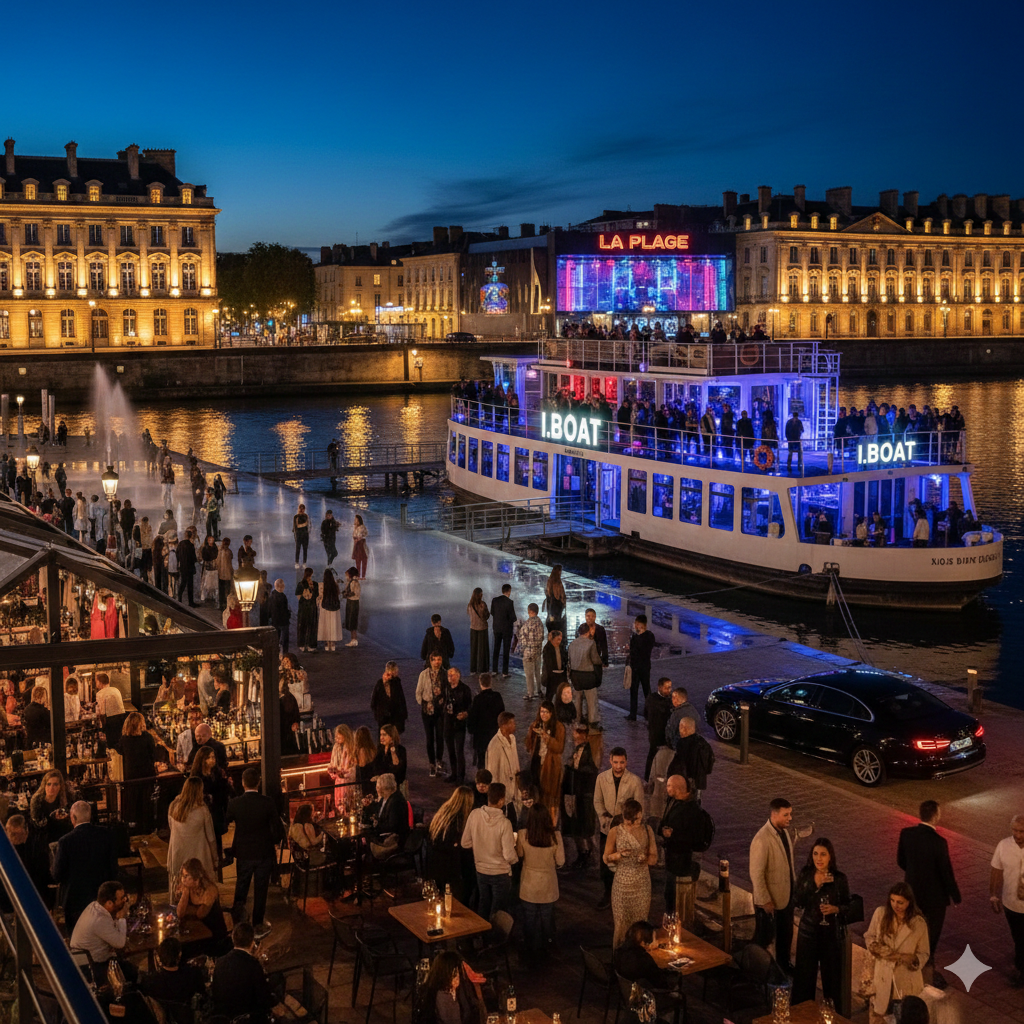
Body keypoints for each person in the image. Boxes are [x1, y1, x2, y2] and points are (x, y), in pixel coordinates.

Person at [897, 800, 961, 985]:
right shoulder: (939, 842)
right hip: (935, 898)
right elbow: (945, 871)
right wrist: (955, 895)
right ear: (936, 815)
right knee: (931, 934)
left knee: (912, 929)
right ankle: (927, 970)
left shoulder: (906, 834)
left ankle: (911, 965)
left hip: (912, 893)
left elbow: (901, 860)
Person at [792, 838, 852, 1007]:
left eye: (823, 854)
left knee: (832, 982)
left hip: (830, 936)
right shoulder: (806, 874)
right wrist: (814, 884)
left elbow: (849, 906)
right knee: (804, 980)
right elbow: (797, 901)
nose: (819, 858)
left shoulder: (839, 879)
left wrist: (836, 909)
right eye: (816, 854)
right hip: (808, 933)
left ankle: (832, 1017)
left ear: (830, 857)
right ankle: (802, 1016)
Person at [227, 767, 284, 939]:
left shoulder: (235, 803)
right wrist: (273, 841)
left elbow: (225, 822)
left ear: (243, 783)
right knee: (261, 889)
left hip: (244, 851)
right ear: (258, 782)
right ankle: (258, 924)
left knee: (242, 886)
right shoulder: (267, 802)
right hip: (263, 851)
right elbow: (278, 828)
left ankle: (239, 921)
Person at [750, 797, 804, 972]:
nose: (790, 818)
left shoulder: (784, 833)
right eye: (786, 815)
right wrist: (765, 900)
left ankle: (783, 964)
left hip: (786, 896)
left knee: (785, 934)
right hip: (771, 901)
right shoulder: (762, 839)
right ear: (774, 815)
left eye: (790, 814)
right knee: (765, 936)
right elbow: (757, 874)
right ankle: (758, 967)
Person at [864, 882, 929, 1022]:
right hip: (882, 976)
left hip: (906, 980)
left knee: (902, 1018)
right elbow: (869, 936)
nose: (895, 905)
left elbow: (924, 953)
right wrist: (876, 948)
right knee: (879, 1017)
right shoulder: (880, 914)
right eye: (892, 900)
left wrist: (911, 959)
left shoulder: (918, 924)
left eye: (900, 902)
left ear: (909, 902)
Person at [53, 801, 117, 932]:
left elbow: (57, 874)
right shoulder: (106, 835)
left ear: (73, 818)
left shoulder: (65, 842)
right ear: (90, 815)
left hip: (75, 901)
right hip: (101, 897)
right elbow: (113, 868)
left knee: (77, 940)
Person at [594, 747, 645, 911]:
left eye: (621, 762)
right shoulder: (602, 778)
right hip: (607, 827)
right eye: (615, 762)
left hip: (625, 829)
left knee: (625, 863)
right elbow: (597, 801)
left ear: (626, 762)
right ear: (610, 761)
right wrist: (604, 819)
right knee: (607, 860)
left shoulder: (634, 781)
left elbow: (640, 807)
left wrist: (632, 826)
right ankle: (608, 892)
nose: (618, 766)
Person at [604, 798, 657, 948]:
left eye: (637, 821)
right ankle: (620, 960)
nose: (633, 825)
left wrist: (645, 858)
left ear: (640, 815)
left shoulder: (647, 830)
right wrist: (618, 855)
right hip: (622, 885)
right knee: (621, 925)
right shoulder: (615, 831)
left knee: (640, 924)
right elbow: (606, 857)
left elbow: (654, 858)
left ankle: (638, 959)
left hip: (641, 884)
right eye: (629, 822)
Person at [461, 782, 518, 921]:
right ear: (501, 800)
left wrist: (480, 846)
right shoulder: (504, 823)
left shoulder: (474, 815)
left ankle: (481, 936)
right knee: (498, 909)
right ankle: (495, 939)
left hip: (480, 870)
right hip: (500, 872)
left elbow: (465, 842)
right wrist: (516, 859)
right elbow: (509, 855)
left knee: (483, 904)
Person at [516, 802, 566, 962]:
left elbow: (520, 854)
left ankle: (530, 950)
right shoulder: (555, 836)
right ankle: (547, 949)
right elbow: (561, 861)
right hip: (548, 885)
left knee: (529, 921)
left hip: (528, 884)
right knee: (547, 919)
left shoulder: (523, 834)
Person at [69, 881, 136, 985]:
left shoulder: (95, 906)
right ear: (109, 903)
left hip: (88, 959)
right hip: (91, 967)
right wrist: (122, 917)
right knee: (131, 972)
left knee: (128, 967)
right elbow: (120, 944)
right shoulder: (99, 919)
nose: (125, 900)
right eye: (122, 898)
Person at [211, 923, 274, 1024]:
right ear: (252, 942)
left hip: (224, 1017)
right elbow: (263, 998)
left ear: (233, 939)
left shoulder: (220, 962)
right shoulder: (253, 965)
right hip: (247, 1018)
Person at [659, 775, 704, 911]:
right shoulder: (673, 801)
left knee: (675, 896)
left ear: (678, 789)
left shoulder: (692, 810)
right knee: (669, 893)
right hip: (672, 857)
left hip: (681, 861)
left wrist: (673, 835)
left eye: (669, 786)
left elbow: (694, 837)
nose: (666, 788)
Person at [989, 813, 1024, 987]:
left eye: (1022, 831)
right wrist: (993, 894)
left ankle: (1020, 969)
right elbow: (996, 869)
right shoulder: (1004, 845)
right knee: (1018, 937)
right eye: (1015, 830)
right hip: (1011, 903)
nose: (1017, 835)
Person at [121, 712, 171, 830]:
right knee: (146, 802)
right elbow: (153, 756)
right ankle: (147, 828)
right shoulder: (147, 737)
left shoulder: (124, 739)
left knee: (134, 801)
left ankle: (134, 827)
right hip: (146, 775)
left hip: (131, 776)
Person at [167, 776, 218, 892]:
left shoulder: (173, 807)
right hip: (199, 856)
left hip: (178, 854)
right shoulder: (202, 811)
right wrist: (215, 858)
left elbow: (171, 828)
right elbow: (211, 838)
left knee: (180, 891)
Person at [427, 786, 475, 903]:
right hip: (450, 867)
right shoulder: (459, 820)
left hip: (434, 862)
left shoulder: (444, 811)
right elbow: (459, 845)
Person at [562, 722, 599, 869]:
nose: (574, 734)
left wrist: (575, 768)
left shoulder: (591, 751)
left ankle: (591, 854)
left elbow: (592, 769)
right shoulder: (577, 749)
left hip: (585, 793)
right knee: (576, 825)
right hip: (574, 792)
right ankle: (582, 853)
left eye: (578, 732)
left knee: (586, 827)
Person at [176, 857, 230, 957]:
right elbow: (179, 913)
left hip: (212, 933)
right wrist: (186, 892)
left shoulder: (210, 889)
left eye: (186, 876)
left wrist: (188, 910)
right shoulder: (188, 888)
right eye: (183, 875)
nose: (183, 879)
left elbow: (200, 914)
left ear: (196, 877)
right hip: (195, 931)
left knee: (185, 951)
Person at [524, 701, 565, 825]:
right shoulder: (536, 724)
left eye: (546, 712)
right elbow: (528, 746)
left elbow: (559, 748)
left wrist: (546, 737)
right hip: (537, 765)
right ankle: (538, 821)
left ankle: (551, 824)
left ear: (551, 713)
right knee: (538, 794)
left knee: (551, 798)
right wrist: (531, 732)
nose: (544, 714)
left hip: (551, 767)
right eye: (542, 711)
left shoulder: (558, 727)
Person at [420, 950, 486, 1024]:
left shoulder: (461, 988)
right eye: (454, 974)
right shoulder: (441, 996)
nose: (457, 976)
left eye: (457, 972)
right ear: (444, 975)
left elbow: (473, 1009)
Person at [613, 920, 680, 991]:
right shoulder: (644, 960)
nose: (656, 941)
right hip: (645, 995)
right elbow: (661, 982)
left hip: (626, 992)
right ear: (643, 943)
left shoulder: (619, 951)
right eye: (654, 939)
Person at [139, 936, 207, 1005]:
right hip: (187, 1013)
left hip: (162, 1014)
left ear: (159, 957)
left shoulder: (150, 982)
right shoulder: (193, 975)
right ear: (179, 955)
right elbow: (202, 993)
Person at [667, 718, 715, 800]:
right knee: (697, 800)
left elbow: (680, 764)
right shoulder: (703, 743)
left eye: (680, 728)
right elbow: (710, 761)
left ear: (684, 728)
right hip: (700, 781)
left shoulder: (683, 744)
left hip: (688, 780)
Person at [416, 652, 447, 778]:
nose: (437, 662)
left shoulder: (445, 674)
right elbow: (418, 692)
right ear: (430, 660)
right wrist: (424, 704)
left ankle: (439, 760)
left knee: (440, 736)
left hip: (440, 711)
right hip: (427, 711)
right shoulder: (424, 674)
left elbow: (447, 690)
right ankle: (431, 763)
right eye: (435, 660)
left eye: (439, 659)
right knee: (430, 738)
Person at [569, 622, 604, 729]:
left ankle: (577, 718)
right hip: (588, 675)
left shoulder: (572, 644)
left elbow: (569, 659)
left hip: (575, 675)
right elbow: (595, 659)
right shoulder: (591, 643)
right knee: (591, 698)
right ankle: (592, 720)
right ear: (588, 632)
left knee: (577, 699)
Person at [467, 672, 504, 770]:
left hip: (481, 737)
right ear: (490, 682)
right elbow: (502, 714)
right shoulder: (497, 697)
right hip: (494, 734)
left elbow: (473, 717)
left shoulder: (478, 699)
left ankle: (482, 781)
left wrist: (471, 730)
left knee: (482, 761)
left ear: (480, 682)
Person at [368, 773, 410, 860]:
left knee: (367, 837)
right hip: (384, 833)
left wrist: (375, 826)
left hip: (393, 840)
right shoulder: (385, 798)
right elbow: (377, 812)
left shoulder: (396, 801)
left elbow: (392, 826)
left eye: (378, 787)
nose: (376, 789)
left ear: (384, 787)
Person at [443, 667, 473, 784]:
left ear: (458, 676)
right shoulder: (446, 688)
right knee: (450, 750)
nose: (450, 677)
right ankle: (454, 773)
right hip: (448, 723)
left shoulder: (465, 689)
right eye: (448, 675)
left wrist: (465, 713)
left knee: (459, 750)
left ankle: (461, 776)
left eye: (452, 675)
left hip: (459, 724)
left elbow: (470, 706)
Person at [626, 615, 655, 722]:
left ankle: (646, 713)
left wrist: (632, 650)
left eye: (636, 624)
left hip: (642, 667)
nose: (635, 626)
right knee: (637, 690)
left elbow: (639, 652)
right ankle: (635, 714)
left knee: (644, 690)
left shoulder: (645, 637)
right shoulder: (639, 636)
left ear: (641, 625)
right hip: (639, 667)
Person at [485, 712, 520, 802]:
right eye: (512, 723)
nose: (514, 725)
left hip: (514, 787)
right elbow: (492, 772)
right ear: (504, 726)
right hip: (502, 790)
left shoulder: (513, 739)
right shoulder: (494, 745)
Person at [644, 677, 673, 781]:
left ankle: (651, 777)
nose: (669, 690)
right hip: (657, 733)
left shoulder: (651, 698)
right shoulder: (663, 701)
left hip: (656, 732)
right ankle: (649, 777)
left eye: (670, 688)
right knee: (653, 755)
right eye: (667, 688)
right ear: (659, 687)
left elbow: (645, 714)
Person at [515, 603, 546, 700]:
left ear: (530, 611)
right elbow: (541, 638)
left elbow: (522, 640)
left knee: (529, 674)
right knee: (537, 672)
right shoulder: (540, 622)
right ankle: (539, 690)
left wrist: (518, 631)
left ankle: (530, 694)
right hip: (537, 651)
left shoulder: (527, 624)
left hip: (528, 653)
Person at [371, 660, 409, 733]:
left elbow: (401, 699)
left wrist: (404, 714)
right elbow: (374, 701)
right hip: (384, 717)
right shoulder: (380, 683)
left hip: (395, 716)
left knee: (393, 737)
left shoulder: (397, 682)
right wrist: (379, 715)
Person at [490, 584, 517, 678]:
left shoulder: (495, 600)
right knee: (506, 651)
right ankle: (504, 672)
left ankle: (494, 670)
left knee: (496, 649)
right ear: (509, 591)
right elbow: (513, 618)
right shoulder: (509, 602)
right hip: (506, 630)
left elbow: (492, 612)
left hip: (496, 628)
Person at [329, 724, 357, 814]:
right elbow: (332, 762)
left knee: (350, 806)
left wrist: (345, 773)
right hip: (339, 782)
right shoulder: (336, 747)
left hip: (348, 782)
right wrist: (332, 770)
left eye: (338, 736)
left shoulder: (352, 747)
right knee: (340, 805)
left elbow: (354, 767)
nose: (336, 738)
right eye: (336, 736)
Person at [375, 724, 408, 790]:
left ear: (392, 736)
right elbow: (376, 765)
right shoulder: (380, 749)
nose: (381, 737)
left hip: (394, 784)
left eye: (384, 735)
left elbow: (397, 768)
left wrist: (393, 751)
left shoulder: (401, 750)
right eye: (381, 734)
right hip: (381, 782)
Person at [317, 568, 342, 652]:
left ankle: (327, 643)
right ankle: (333, 643)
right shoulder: (335, 585)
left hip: (325, 608)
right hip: (334, 608)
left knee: (326, 625)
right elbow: (338, 594)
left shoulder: (321, 585)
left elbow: (320, 596)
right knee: (333, 625)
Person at [467, 587, 490, 674]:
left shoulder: (470, 605)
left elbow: (470, 616)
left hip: (473, 628)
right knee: (482, 649)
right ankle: (482, 669)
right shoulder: (482, 605)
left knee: (474, 649)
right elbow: (486, 616)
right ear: (480, 595)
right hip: (482, 628)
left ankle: (473, 669)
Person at [540, 629, 568, 702]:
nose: (559, 641)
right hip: (552, 675)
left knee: (561, 694)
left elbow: (565, 658)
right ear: (553, 639)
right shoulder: (548, 648)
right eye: (557, 639)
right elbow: (548, 663)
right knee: (550, 694)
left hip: (561, 674)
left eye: (560, 639)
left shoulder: (561, 647)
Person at [543, 564, 567, 638]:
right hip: (557, 605)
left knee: (551, 621)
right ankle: (556, 638)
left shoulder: (549, 581)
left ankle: (551, 637)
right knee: (557, 624)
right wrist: (563, 602)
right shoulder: (557, 582)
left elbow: (547, 592)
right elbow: (560, 595)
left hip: (550, 604)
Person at [176, 527, 198, 606]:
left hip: (183, 567)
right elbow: (193, 558)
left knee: (183, 583)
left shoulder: (181, 544)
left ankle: (179, 599)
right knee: (190, 585)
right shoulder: (190, 545)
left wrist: (179, 563)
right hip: (190, 567)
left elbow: (177, 554)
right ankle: (191, 602)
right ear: (190, 535)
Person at [268, 579, 291, 654]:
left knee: (277, 640)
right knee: (284, 640)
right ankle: (284, 654)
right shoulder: (282, 596)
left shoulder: (272, 596)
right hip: (282, 621)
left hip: (276, 622)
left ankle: (276, 654)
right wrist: (288, 615)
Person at [342, 566, 360, 646]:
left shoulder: (353, 582)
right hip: (354, 602)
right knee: (352, 621)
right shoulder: (353, 581)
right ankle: (353, 639)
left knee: (352, 621)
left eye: (347, 575)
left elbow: (353, 593)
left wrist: (345, 595)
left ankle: (354, 639)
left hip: (352, 603)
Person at [216, 537, 233, 610]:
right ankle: (226, 604)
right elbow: (229, 563)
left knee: (222, 590)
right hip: (227, 574)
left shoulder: (220, 551)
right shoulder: (228, 552)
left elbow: (217, 562)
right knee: (227, 590)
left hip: (221, 573)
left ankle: (222, 604)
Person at [786, 409, 805, 474]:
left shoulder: (790, 422)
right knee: (794, 453)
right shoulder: (798, 422)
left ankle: (791, 466)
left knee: (792, 453)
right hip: (794, 440)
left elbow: (786, 432)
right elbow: (802, 430)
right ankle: (795, 466)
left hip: (793, 440)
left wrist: (788, 439)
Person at [292, 503, 310, 568]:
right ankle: (296, 563)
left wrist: (308, 532)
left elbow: (309, 525)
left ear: (304, 509)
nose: (301, 510)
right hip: (298, 535)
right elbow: (296, 527)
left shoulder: (306, 516)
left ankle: (304, 563)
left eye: (303, 509)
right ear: (298, 509)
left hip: (305, 535)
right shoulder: (296, 517)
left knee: (305, 550)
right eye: (300, 509)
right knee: (298, 549)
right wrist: (295, 536)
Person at [352, 513, 369, 579]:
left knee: (363, 560)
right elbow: (354, 537)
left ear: (359, 521)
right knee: (358, 561)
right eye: (354, 520)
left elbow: (364, 534)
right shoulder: (355, 528)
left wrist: (359, 538)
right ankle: (359, 576)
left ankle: (363, 576)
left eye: (356, 520)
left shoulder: (362, 527)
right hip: (357, 545)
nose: (354, 521)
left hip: (361, 545)